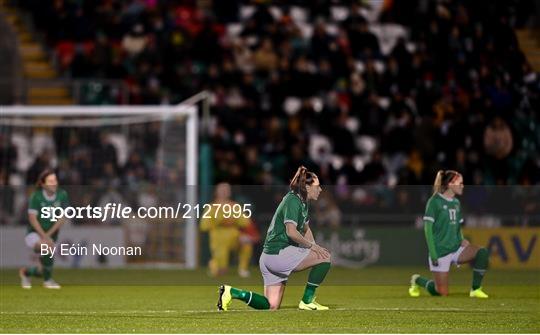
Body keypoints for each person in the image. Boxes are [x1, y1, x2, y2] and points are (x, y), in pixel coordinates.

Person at [217, 166, 332, 311]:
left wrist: (314, 249)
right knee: (326, 257)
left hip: (269, 257)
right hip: (278, 253)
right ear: (307, 187)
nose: (320, 189)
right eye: (317, 186)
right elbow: (291, 232)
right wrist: (313, 248)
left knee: (270, 306)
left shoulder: (302, 202)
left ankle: (232, 292)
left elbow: (305, 229)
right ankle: (307, 301)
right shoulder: (293, 200)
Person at [409, 170, 489, 298]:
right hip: (440, 251)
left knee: (482, 252)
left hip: (456, 248)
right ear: (451, 184)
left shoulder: (457, 203)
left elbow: (457, 226)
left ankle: (475, 289)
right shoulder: (434, 202)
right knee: (441, 293)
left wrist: (462, 239)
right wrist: (433, 254)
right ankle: (417, 280)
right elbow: (427, 230)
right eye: (460, 183)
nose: (463, 186)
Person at [19, 169, 69, 289]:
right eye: (50, 181)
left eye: (55, 180)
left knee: (42, 270)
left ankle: (25, 273)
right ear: (43, 184)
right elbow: (32, 219)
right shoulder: (36, 196)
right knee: (46, 246)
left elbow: (63, 218)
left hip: (50, 235)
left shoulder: (62, 195)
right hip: (34, 234)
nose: (54, 183)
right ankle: (48, 282)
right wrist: (43, 236)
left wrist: (48, 235)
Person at [200, 182, 250, 277]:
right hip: (218, 238)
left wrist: (233, 221)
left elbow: (245, 222)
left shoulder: (235, 206)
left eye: (226, 190)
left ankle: (243, 269)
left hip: (234, 236)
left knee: (246, 242)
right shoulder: (211, 207)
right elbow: (204, 225)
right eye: (222, 190)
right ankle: (214, 264)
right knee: (220, 271)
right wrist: (219, 222)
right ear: (216, 192)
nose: (224, 192)